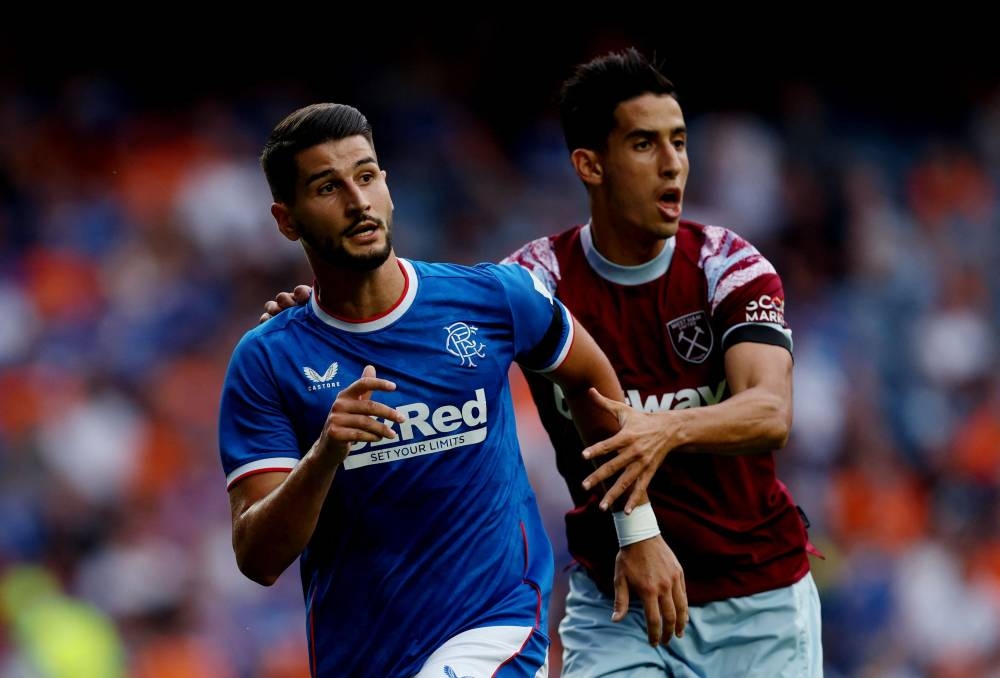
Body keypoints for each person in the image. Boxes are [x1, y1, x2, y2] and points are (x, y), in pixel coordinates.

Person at [263, 49, 821, 676]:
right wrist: (326, 321)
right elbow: (418, 312)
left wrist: (663, 429)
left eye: (680, 142)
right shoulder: (535, 279)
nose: (673, 165)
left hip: (757, 594)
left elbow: (770, 412)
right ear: (590, 164)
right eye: (644, 144)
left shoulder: (728, 265)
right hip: (618, 594)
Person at [219, 102, 677, 678]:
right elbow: (257, 558)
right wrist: (325, 454)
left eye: (366, 177)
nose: (357, 202)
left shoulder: (494, 298)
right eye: (327, 188)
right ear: (287, 220)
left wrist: (637, 532)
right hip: (359, 656)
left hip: (497, 625)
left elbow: (592, 378)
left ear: (387, 186)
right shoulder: (267, 360)